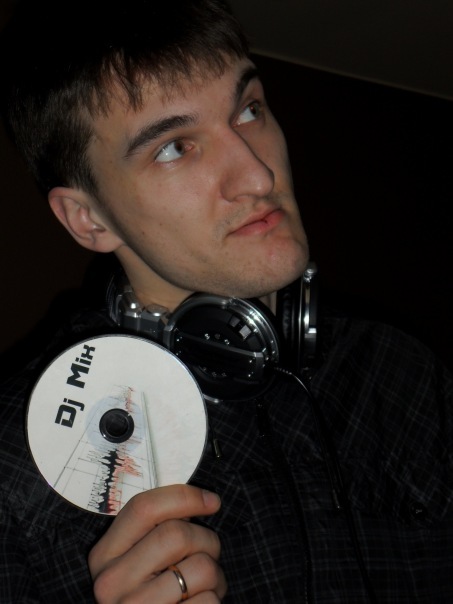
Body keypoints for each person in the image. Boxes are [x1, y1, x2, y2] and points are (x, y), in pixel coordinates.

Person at [0, 0, 451, 602]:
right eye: (173, 147)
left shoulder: (403, 373)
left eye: (249, 110)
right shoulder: (15, 471)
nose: (258, 175)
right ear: (89, 219)